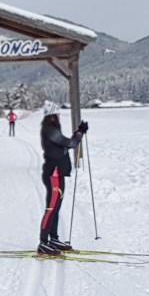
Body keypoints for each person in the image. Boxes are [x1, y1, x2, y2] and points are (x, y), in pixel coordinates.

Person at [36, 100, 88, 256]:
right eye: (55, 115)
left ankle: (53, 239)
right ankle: (43, 243)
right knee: (51, 209)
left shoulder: (52, 129)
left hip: (58, 174)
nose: (57, 117)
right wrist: (79, 133)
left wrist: (79, 132)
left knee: (56, 208)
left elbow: (65, 145)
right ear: (50, 116)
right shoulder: (49, 130)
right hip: (53, 175)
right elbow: (70, 143)